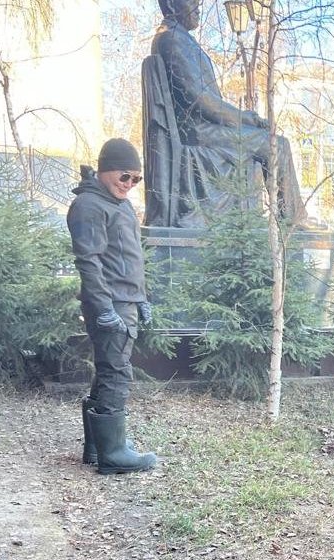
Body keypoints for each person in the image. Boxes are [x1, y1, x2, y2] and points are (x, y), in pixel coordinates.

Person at [143, 0, 305, 227]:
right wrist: (245, 118)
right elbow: (201, 100)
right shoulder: (171, 39)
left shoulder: (178, 38)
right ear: (171, 3)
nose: (198, 6)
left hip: (203, 129)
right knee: (276, 146)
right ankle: (293, 222)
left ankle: (290, 220)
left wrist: (245, 118)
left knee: (272, 141)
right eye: (192, 0)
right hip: (198, 133)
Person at [67, 138, 160, 475]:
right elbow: (89, 262)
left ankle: (98, 447)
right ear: (106, 170)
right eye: (125, 176)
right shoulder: (90, 206)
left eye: (136, 179)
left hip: (125, 300)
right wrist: (104, 307)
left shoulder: (117, 204)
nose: (130, 185)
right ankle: (114, 453)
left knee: (109, 368)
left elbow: (129, 260)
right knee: (117, 372)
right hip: (111, 303)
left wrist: (142, 298)